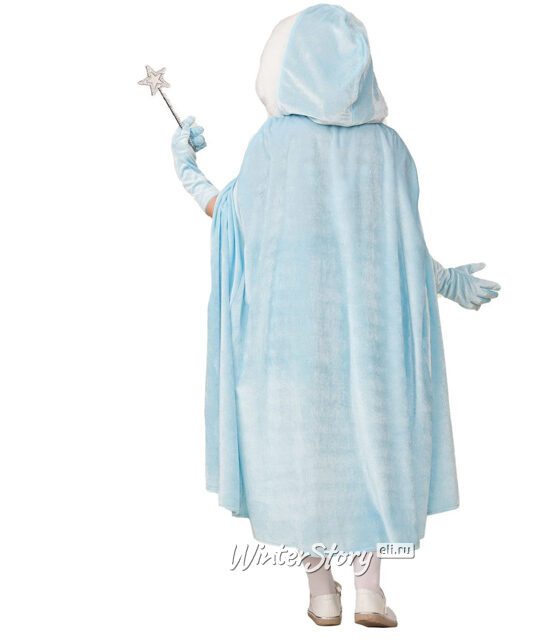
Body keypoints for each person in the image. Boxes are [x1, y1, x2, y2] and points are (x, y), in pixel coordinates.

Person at [170, 4, 500, 628]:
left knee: (304, 455)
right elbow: (403, 248)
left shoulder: (274, 145)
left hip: (288, 346)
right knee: (373, 446)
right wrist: (446, 282)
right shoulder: (388, 149)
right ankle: (371, 591)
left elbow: (230, 219)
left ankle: (321, 592)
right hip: (374, 343)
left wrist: (186, 168)